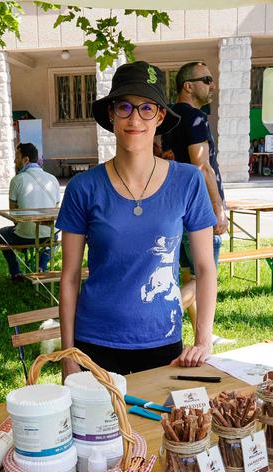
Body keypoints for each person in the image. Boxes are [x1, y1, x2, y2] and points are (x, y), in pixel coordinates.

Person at [57, 61, 217, 377]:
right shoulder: (83, 188)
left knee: (159, 427)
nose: (134, 119)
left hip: (163, 342)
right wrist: (68, 354)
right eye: (125, 107)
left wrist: (203, 340)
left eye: (146, 108)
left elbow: (205, 267)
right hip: (95, 343)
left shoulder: (187, 181)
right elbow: (70, 276)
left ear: (159, 116)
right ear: (111, 114)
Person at [163, 61, 230, 348]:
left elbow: (162, 155)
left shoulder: (164, 118)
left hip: (173, 209)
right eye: (206, 79)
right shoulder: (195, 119)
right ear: (188, 86)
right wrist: (217, 209)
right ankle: (158, 315)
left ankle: (203, 333)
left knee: (190, 272)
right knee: (206, 277)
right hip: (199, 211)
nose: (212, 85)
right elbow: (203, 167)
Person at [0, 142, 59, 281]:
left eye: (17, 157)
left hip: (24, 234)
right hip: (48, 235)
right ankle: (42, 264)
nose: (14, 161)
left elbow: (13, 215)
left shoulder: (17, 180)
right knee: (55, 236)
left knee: (2, 233)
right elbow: (55, 209)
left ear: (25, 160)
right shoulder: (53, 179)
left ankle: (16, 272)